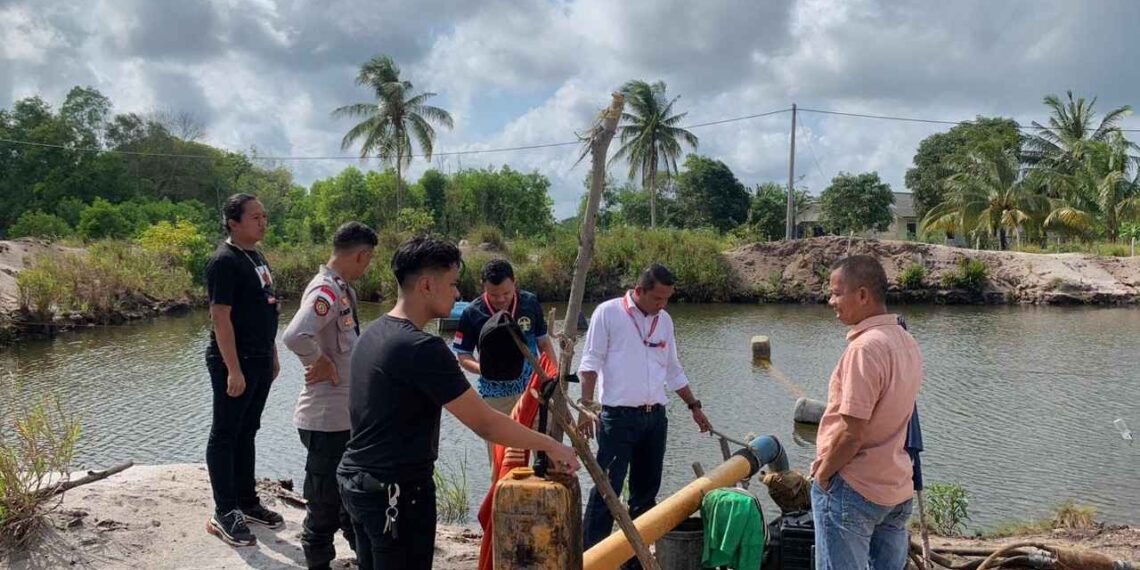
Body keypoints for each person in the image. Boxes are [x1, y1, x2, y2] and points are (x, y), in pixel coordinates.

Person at [336, 235, 581, 570]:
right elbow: (486, 422)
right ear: (426, 285)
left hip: (357, 484)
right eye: (452, 284)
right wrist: (552, 445)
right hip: (396, 493)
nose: (457, 293)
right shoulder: (422, 348)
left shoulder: (374, 333)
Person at [577, 263, 713, 553]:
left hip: (654, 419)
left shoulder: (664, 321)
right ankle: (590, 556)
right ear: (639, 291)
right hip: (618, 419)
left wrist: (694, 406)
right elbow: (589, 364)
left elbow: (674, 370)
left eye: (667, 299)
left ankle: (634, 555)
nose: (662, 305)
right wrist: (586, 407)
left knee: (646, 495)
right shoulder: (609, 313)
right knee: (607, 490)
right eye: (657, 298)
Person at [811, 255, 924, 570]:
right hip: (896, 486)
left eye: (836, 292)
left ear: (862, 295)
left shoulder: (865, 348)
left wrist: (822, 475)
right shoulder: (907, 341)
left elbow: (852, 433)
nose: (831, 300)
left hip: (855, 487)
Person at [282, 222, 378, 569]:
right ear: (360, 255)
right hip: (325, 421)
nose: (366, 267)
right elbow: (294, 336)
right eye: (367, 260)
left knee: (347, 501)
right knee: (322, 509)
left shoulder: (341, 288)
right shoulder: (325, 290)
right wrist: (317, 360)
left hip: (342, 418)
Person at [204, 193, 284, 547]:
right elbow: (220, 317)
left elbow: (266, 308)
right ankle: (225, 511)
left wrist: (272, 353)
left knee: (248, 430)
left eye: (264, 216)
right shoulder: (224, 261)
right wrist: (233, 370)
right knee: (225, 433)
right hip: (233, 363)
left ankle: (247, 501)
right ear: (233, 221)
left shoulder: (256, 256)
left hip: (259, 359)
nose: (262, 222)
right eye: (255, 217)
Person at [451, 259, 558, 465]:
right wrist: (484, 370)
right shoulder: (472, 312)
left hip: (533, 390)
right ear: (484, 287)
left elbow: (543, 342)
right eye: (494, 295)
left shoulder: (529, 303)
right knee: (503, 463)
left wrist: (553, 375)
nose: (501, 299)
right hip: (495, 398)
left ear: (515, 283)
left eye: (506, 294)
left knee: (548, 457)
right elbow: (463, 355)